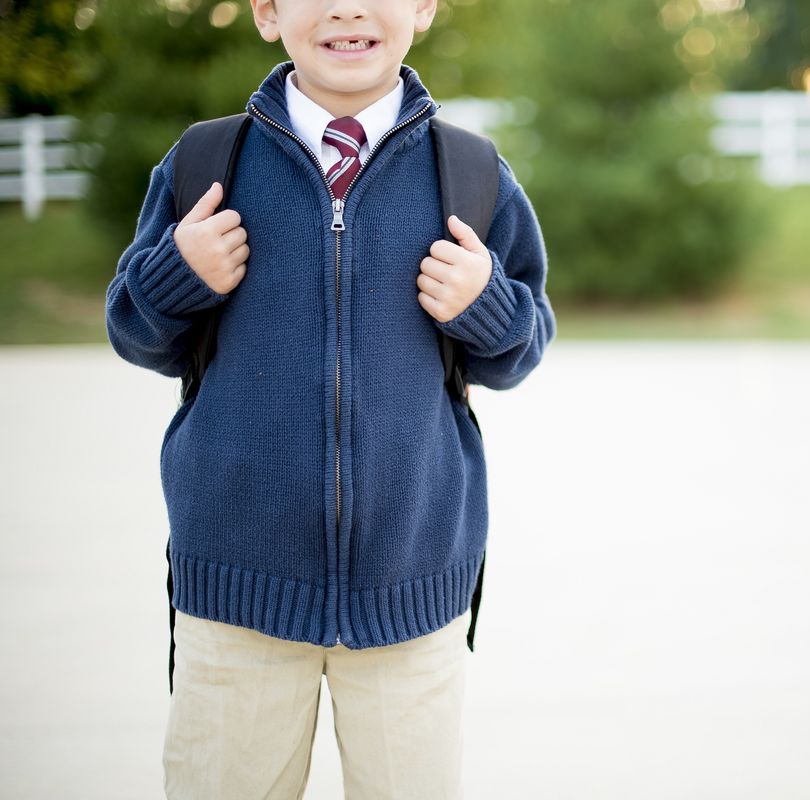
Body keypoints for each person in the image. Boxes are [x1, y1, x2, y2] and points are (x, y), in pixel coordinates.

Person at [103, 0, 555, 794]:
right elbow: (137, 335)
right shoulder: (208, 161)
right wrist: (179, 275)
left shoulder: (472, 172)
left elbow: (518, 353)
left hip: (410, 602)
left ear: (423, 7)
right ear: (269, 12)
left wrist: (485, 302)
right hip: (234, 598)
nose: (347, 7)